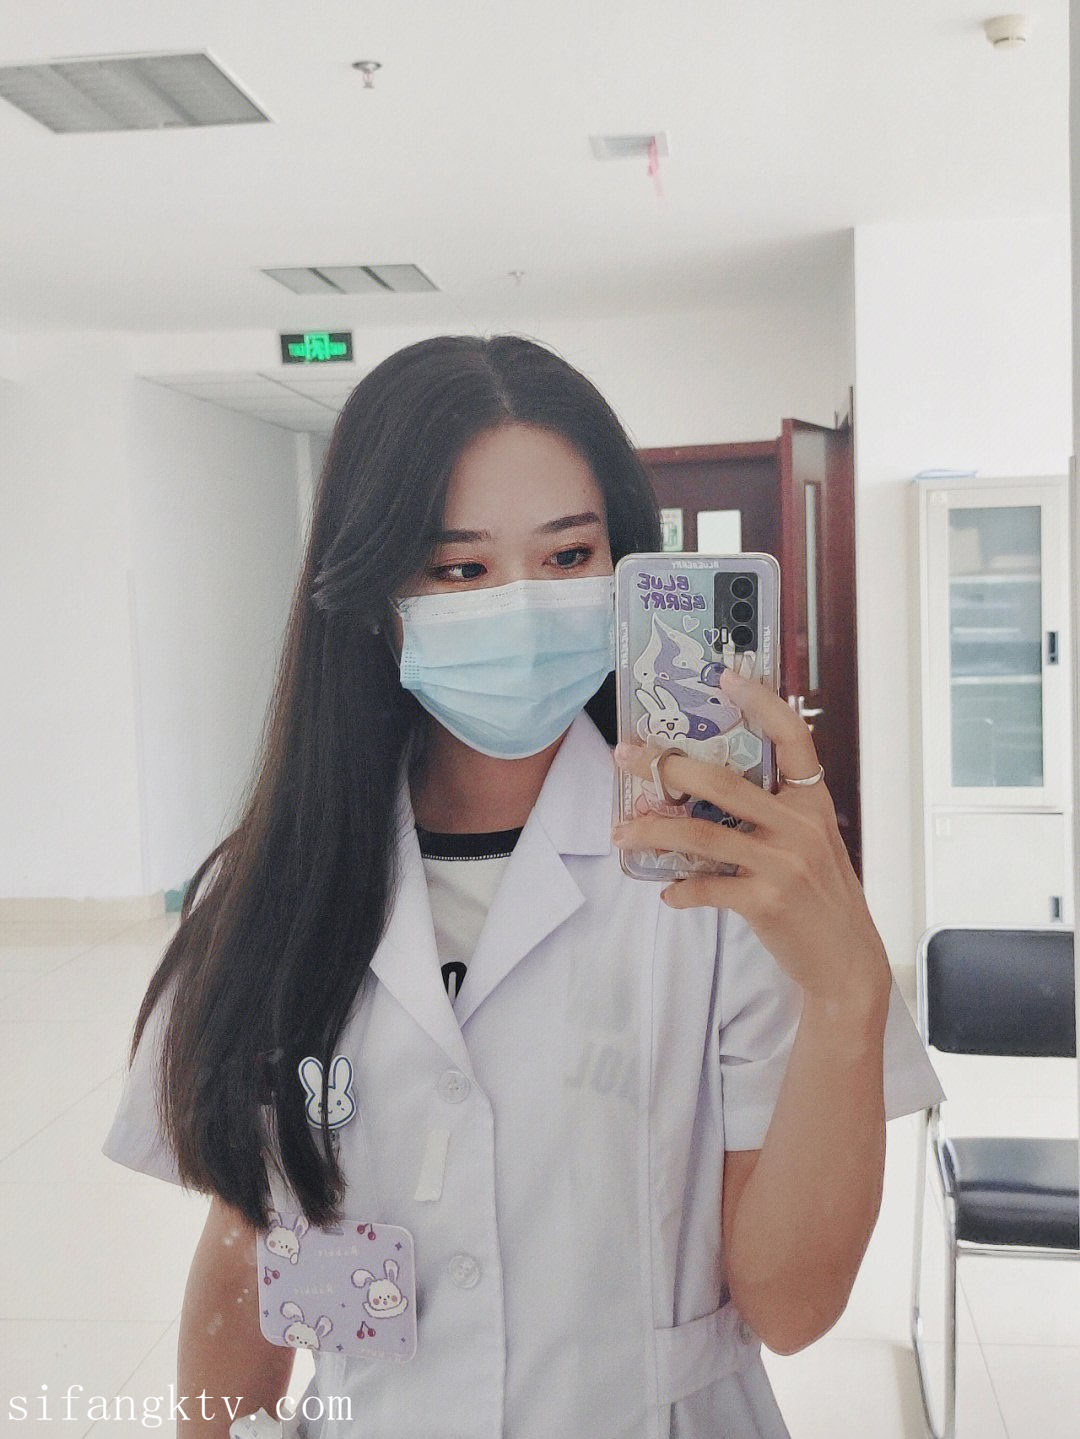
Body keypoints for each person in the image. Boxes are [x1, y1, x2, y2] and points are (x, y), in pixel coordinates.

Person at [102, 333, 946, 1439]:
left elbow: (790, 1305)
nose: (523, 605)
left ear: (625, 568)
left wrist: (846, 994)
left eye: (567, 555)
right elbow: (251, 1248)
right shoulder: (273, 893)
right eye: (460, 569)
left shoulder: (723, 876)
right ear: (373, 594)